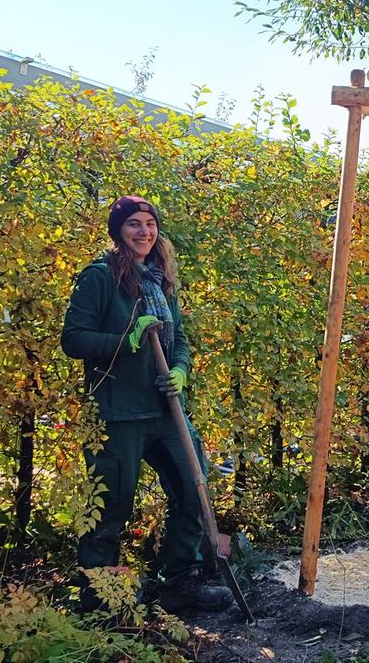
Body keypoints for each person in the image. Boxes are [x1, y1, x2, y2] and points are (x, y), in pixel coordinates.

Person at [61, 195, 232, 613]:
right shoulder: (100, 277)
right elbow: (74, 339)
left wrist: (181, 371)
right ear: (118, 231)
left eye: (150, 223)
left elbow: (181, 340)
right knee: (111, 504)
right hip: (117, 412)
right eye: (134, 224)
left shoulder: (160, 279)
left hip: (165, 411)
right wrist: (128, 339)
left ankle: (180, 582)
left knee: (194, 489)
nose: (144, 231)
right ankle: (100, 597)